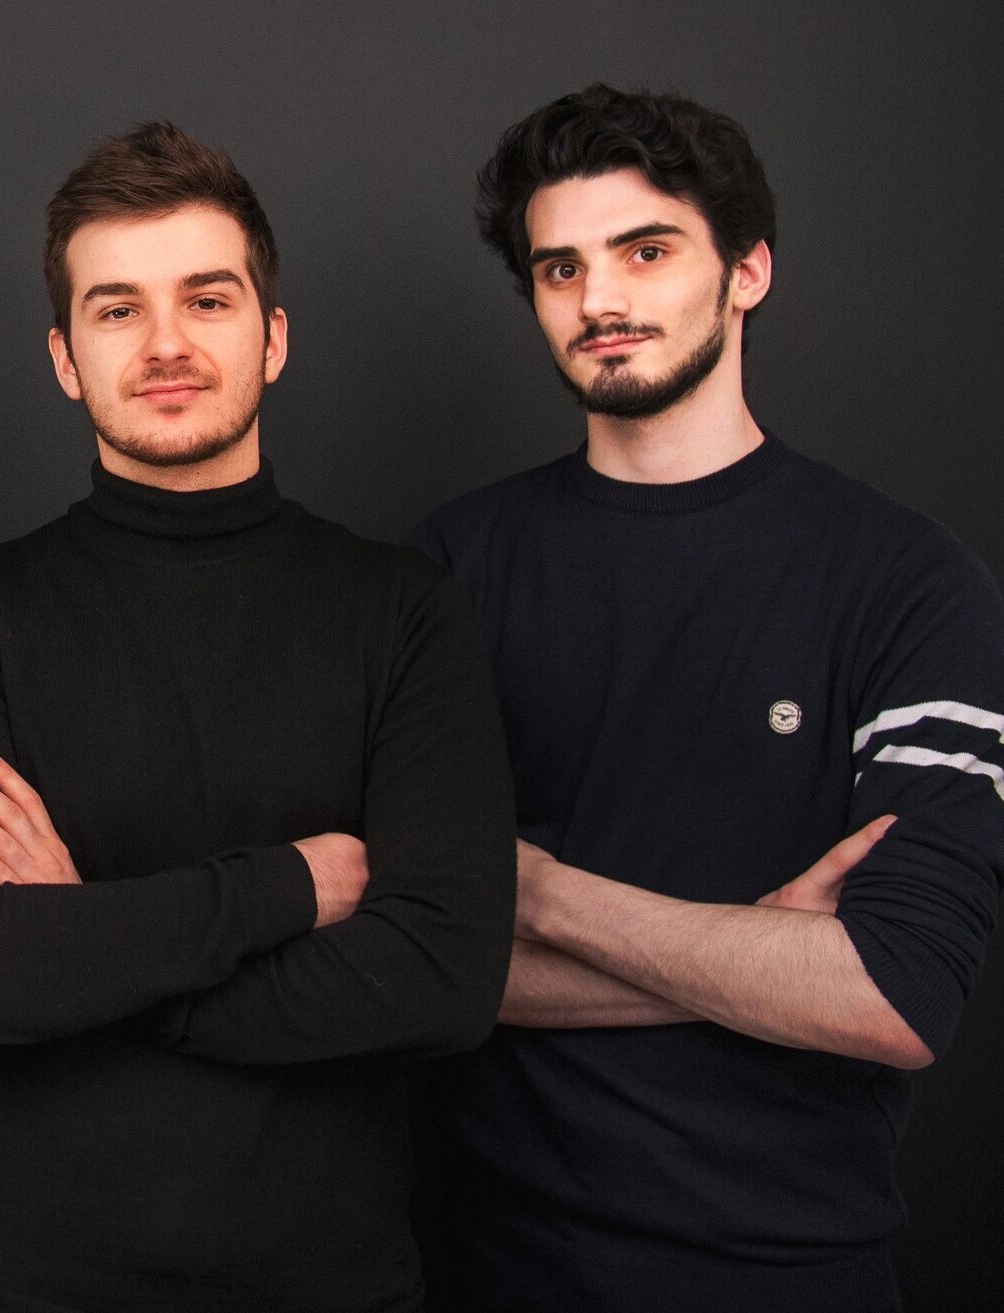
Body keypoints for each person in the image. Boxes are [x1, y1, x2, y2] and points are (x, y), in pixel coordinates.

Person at [0, 120, 515, 1312]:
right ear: (65, 356)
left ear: (272, 338)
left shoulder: (402, 609)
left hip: (326, 1285)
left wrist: (85, 937)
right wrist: (280, 891)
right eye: (117, 309)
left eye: (208, 301)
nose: (166, 344)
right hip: (15, 1282)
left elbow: (441, 978)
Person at [417, 84, 1004, 1312]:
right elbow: (404, 959)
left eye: (647, 250)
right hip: (486, 1265)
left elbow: (896, 992)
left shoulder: (910, 583)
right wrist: (759, 950)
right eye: (559, 267)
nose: (601, 301)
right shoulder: (447, 571)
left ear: (748, 270)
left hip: (789, 1273)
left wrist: (538, 890)